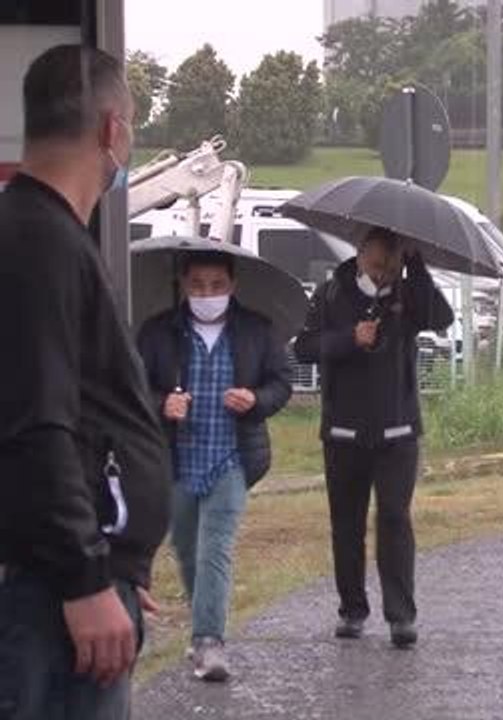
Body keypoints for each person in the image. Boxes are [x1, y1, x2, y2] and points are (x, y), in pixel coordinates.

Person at [0, 45, 171, 718]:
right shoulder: (37, 244)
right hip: (51, 598)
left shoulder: (47, 235)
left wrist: (117, 560)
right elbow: (35, 424)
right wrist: (86, 579)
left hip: (73, 580)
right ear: (111, 129)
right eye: (131, 125)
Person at [135, 251, 293, 681]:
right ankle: (200, 626)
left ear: (232, 285)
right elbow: (133, 387)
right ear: (183, 285)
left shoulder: (257, 331)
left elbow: (282, 382)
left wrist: (255, 400)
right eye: (198, 285)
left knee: (214, 548)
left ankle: (210, 641)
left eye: (217, 285)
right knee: (187, 548)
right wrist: (161, 404)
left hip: (232, 459)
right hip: (177, 462)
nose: (208, 294)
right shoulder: (158, 333)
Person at [294, 228, 455, 648]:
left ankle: (401, 616)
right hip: (343, 430)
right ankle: (352, 609)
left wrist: (415, 266)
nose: (384, 272)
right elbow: (304, 347)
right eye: (378, 262)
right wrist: (350, 338)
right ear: (361, 254)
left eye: (392, 263)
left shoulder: (409, 294)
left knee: (395, 519)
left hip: (398, 431)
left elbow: (441, 318)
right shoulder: (332, 293)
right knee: (346, 523)